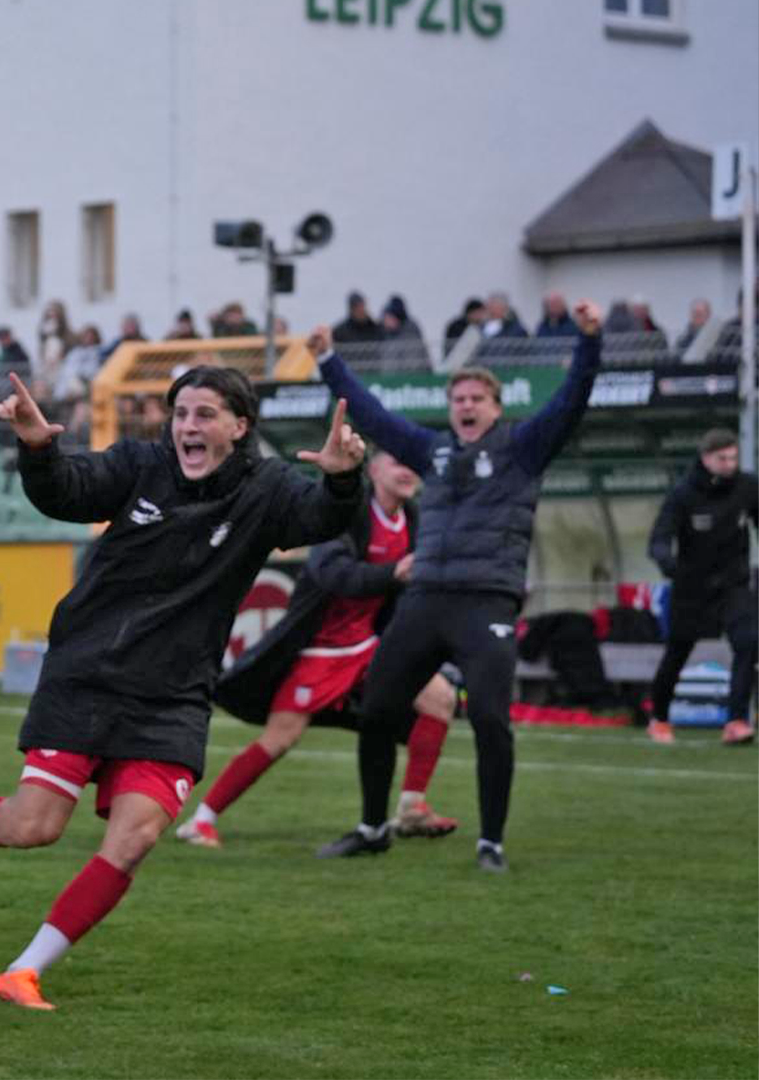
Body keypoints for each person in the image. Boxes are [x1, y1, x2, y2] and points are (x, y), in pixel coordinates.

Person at [0, 366, 364, 1010]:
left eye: (205, 414)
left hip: (174, 696)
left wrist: (341, 478)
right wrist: (37, 448)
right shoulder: (140, 464)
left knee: (134, 838)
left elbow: (320, 515)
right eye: (181, 413)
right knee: (34, 827)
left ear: (239, 427)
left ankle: (23, 971)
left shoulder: (266, 488)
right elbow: (68, 492)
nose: (188, 426)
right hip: (89, 674)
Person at [310, 302, 605, 873]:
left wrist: (590, 342)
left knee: (491, 720)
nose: (466, 407)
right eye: (458, 400)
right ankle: (374, 827)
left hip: (486, 602)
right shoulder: (433, 451)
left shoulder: (524, 447)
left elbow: (572, 401)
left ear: (496, 408)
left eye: (476, 399)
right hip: (424, 601)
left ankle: (490, 842)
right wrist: (327, 359)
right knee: (376, 713)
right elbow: (370, 415)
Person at [178, 449, 459, 848]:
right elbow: (333, 573)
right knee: (279, 739)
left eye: (413, 464)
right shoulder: (350, 513)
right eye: (398, 461)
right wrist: (391, 573)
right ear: (374, 468)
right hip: (322, 652)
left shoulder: (412, 518)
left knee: (440, 699)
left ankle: (412, 808)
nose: (408, 469)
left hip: (370, 645)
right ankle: (201, 820)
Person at [645, 429, 757, 745]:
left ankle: (736, 720)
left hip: (734, 585)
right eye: (722, 458)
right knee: (677, 653)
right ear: (706, 458)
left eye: (733, 457)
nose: (729, 464)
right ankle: (660, 718)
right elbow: (659, 539)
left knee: (748, 642)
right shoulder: (683, 494)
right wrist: (668, 563)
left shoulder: (748, 487)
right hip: (691, 588)